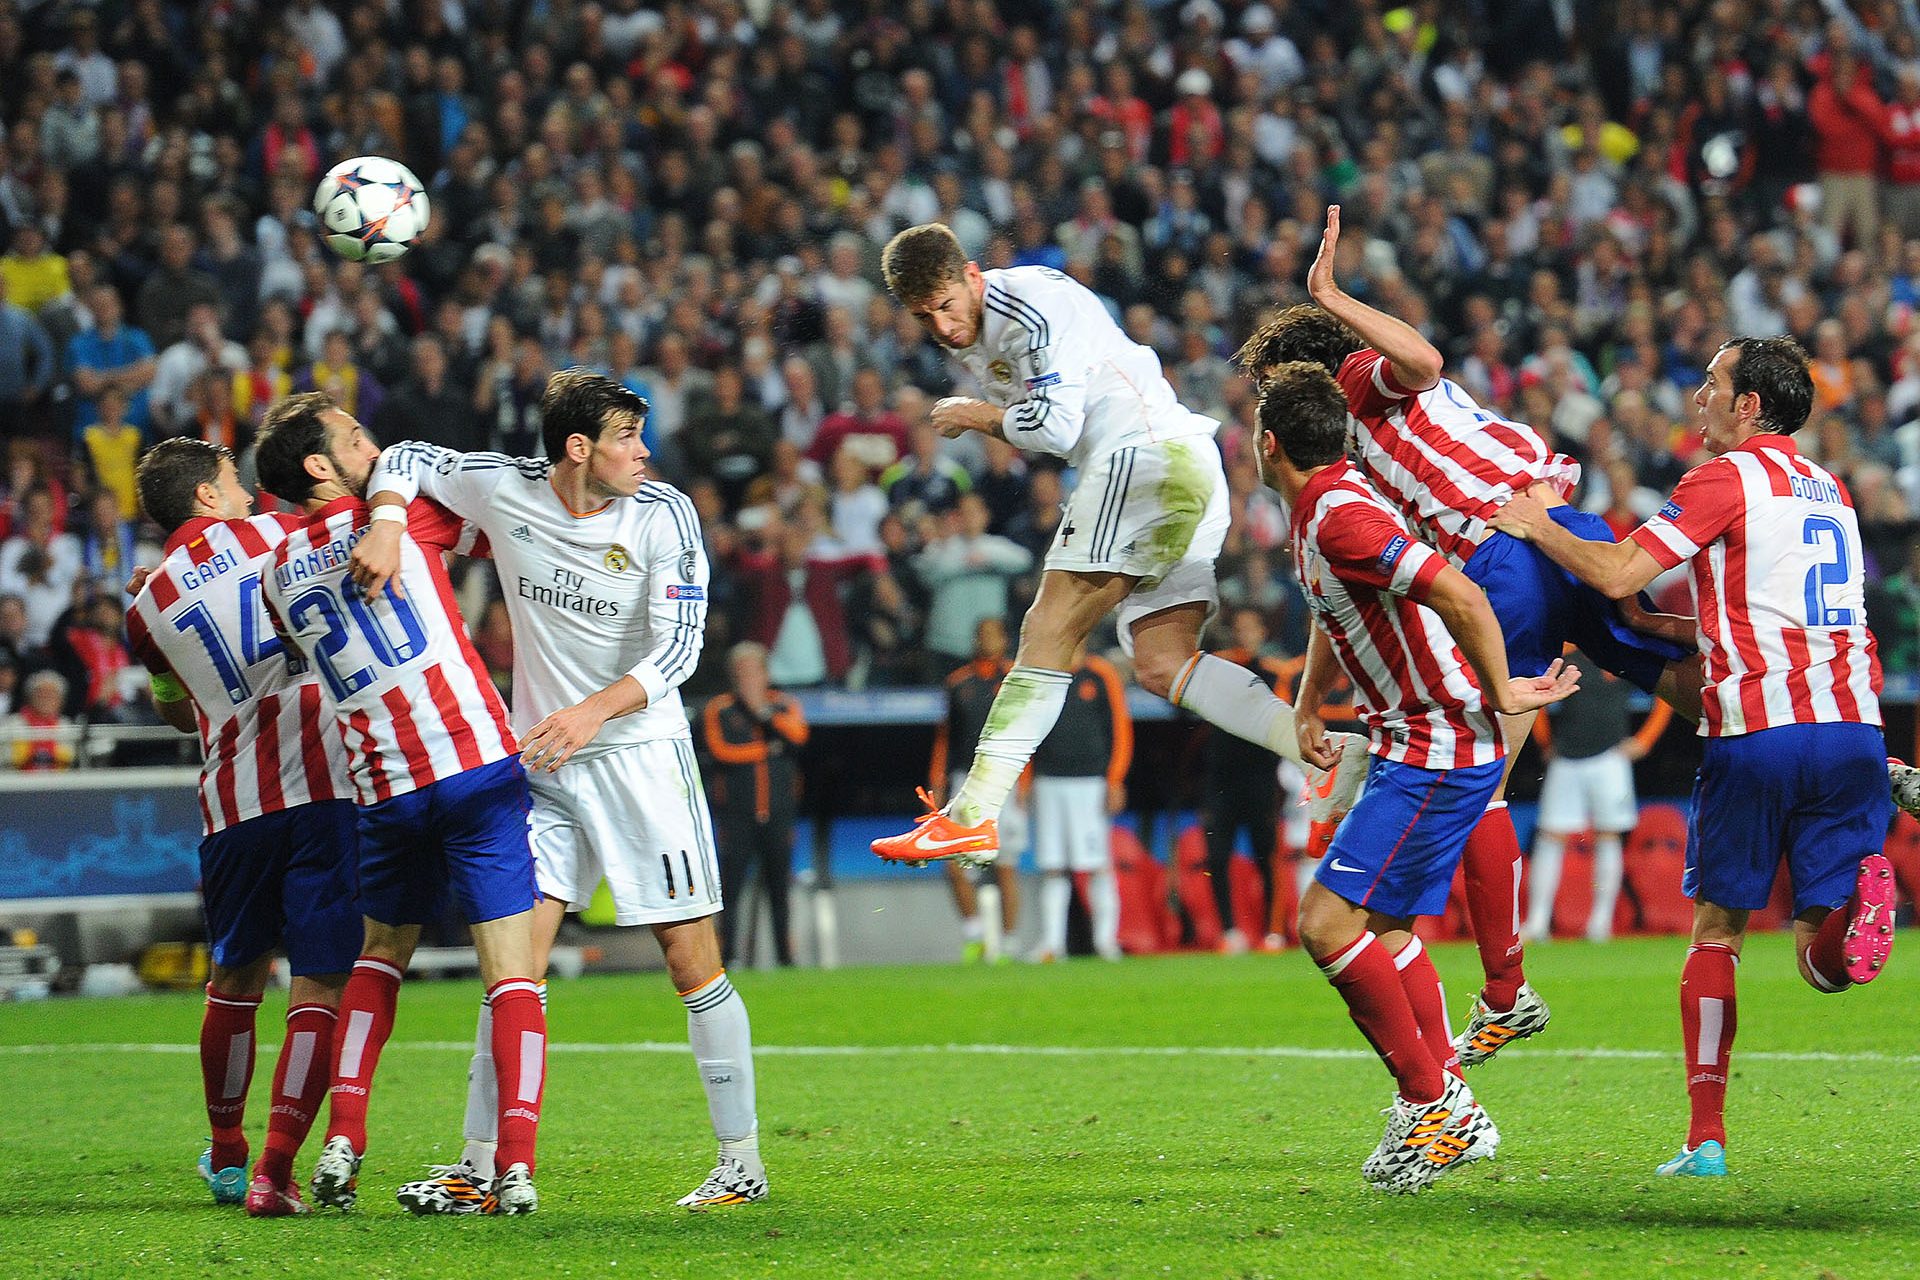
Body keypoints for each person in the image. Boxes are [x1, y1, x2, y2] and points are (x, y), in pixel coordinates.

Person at [1235, 205, 1702, 1070]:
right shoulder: (1345, 460)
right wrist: (1306, 691)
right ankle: (1824, 738)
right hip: (1557, 525)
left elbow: (1421, 359)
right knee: (1669, 670)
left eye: (1271, 383)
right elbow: (1338, 591)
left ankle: (1505, 992)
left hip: (1498, 554)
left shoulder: (1361, 391)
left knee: (1477, 764)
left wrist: (1332, 293)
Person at [347, 369, 767, 1212]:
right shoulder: (509, 489)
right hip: (544, 768)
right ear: (578, 448)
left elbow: (682, 649)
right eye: (625, 437)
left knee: (692, 964)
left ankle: (742, 1163)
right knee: (513, 966)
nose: (644, 452)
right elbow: (404, 457)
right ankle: (475, 1165)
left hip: (641, 759)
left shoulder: (664, 514)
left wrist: (589, 714)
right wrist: (388, 524)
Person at [1490, 335, 1898, 1178]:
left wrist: (1536, 525)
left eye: (1711, 383)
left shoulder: (1723, 477)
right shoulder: (1833, 492)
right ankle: (1855, 909)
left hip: (1758, 731)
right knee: (1819, 962)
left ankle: (1705, 1141)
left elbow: (1613, 570)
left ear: (1749, 405)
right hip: (1854, 725)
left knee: (1717, 934)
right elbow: (1771, 616)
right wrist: (1649, 627)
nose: (1698, 397)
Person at [870, 222, 1361, 869]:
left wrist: (978, 416)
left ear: (970, 276)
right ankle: (1327, 756)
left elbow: (1056, 423)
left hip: (1143, 457)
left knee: (1048, 627)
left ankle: (972, 815)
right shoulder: (979, 336)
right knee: (1162, 662)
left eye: (946, 304)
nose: (941, 324)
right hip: (1184, 466)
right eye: (923, 315)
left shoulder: (1024, 308)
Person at [1254, 360, 1578, 1193]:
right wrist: (1305, 701)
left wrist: (1502, 691)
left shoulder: (1342, 516)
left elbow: (1461, 596)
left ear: (1267, 443)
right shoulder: (1325, 508)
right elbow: (1344, 609)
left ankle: (1435, 1107)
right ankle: (1443, 1102)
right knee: (1386, 929)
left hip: (1434, 744)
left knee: (1325, 925)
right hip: (1418, 740)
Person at [253, 395, 547, 1217]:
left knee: (378, 960)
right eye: (353, 438)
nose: (372, 446)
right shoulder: (403, 516)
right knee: (511, 973)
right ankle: (514, 1166)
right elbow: (501, 531)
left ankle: (344, 1138)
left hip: (384, 788)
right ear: (319, 467)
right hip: (473, 767)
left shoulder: (276, 575)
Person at [122, 436, 357, 1217]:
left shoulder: (144, 607)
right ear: (205, 498)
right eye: (234, 484)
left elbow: (173, 708)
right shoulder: (280, 533)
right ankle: (276, 1174)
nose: (250, 495)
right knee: (320, 982)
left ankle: (228, 1156)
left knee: (234, 984)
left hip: (233, 805)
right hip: (324, 785)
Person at [1523, 656, 1672, 944]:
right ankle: (1538, 921)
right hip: (1566, 756)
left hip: (1611, 758)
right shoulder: (1566, 656)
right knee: (1551, 836)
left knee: (1608, 836)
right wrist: (1545, 740)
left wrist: (1645, 740)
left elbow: (1664, 697)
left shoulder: (1619, 653)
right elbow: (1537, 697)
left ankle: (1601, 923)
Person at [702, 641, 810, 968]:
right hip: (736, 815)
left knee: (779, 888)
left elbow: (798, 737)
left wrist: (762, 713)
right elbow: (720, 750)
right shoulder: (719, 709)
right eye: (740, 672)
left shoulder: (783, 705)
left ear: (765, 673)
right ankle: (728, 958)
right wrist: (767, 750)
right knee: (730, 889)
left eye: (752, 670)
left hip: (779, 813)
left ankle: (785, 958)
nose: (746, 678)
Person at [929, 618, 1027, 962]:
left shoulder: (1017, 677)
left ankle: (1009, 941)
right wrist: (938, 782)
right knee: (955, 864)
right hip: (965, 782)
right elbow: (945, 739)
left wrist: (1026, 782)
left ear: (1004, 639)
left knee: (1005, 865)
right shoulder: (958, 683)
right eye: (981, 634)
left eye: (994, 634)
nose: (988, 640)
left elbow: (1027, 730)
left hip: (1005, 781)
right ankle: (974, 934)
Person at [1028, 645, 1131, 963]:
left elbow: (1119, 729)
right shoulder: (1042, 674)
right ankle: (1052, 944)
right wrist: (1026, 780)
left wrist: (1114, 779)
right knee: (1053, 866)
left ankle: (1106, 942)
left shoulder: (1100, 674)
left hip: (1090, 784)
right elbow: (1028, 730)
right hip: (1048, 781)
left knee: (1098, 864)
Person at [1200, 606, 1292, 953]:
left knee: (1265, 854)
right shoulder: (1217, 666)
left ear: (1262, 633)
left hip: (1260, 775)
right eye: (1239, 628)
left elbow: (1282, 718)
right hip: (1221, 776)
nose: (1244, 635)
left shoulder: (1273, 672)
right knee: (1217, 855)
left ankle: (1273, 930)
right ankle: (1228, 930)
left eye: (1251, 628)